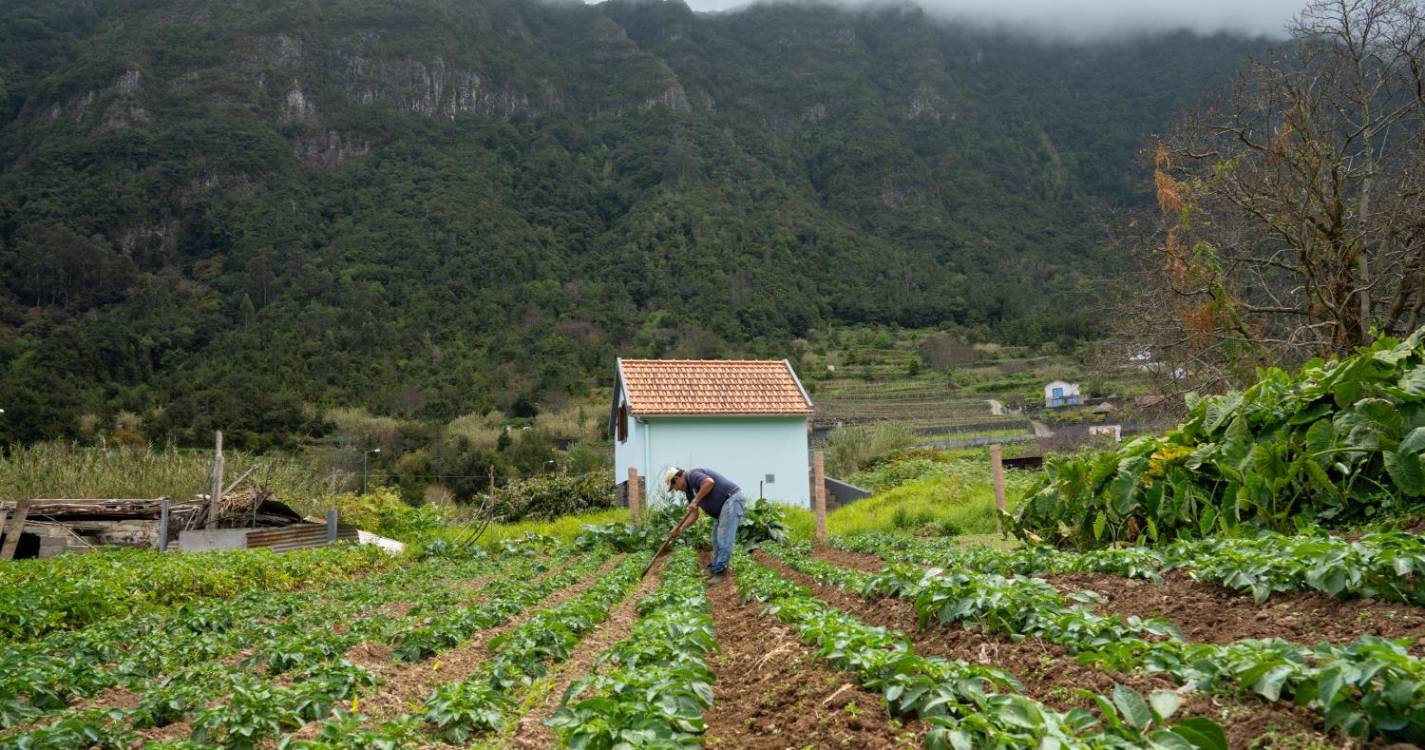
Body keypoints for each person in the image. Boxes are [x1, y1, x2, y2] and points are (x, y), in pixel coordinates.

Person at [663, 466, 746, 582]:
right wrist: (680, 528)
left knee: (724, 537)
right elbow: (694, 514)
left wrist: (696, 500)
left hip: (732, 499)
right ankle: (715, 567)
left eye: (674, 487)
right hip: (723, 507)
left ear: (677, 478)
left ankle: (720, 570)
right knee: (716, 539)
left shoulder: (692, 475)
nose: (676, 490)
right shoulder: (689, 491)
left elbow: (709, 482)